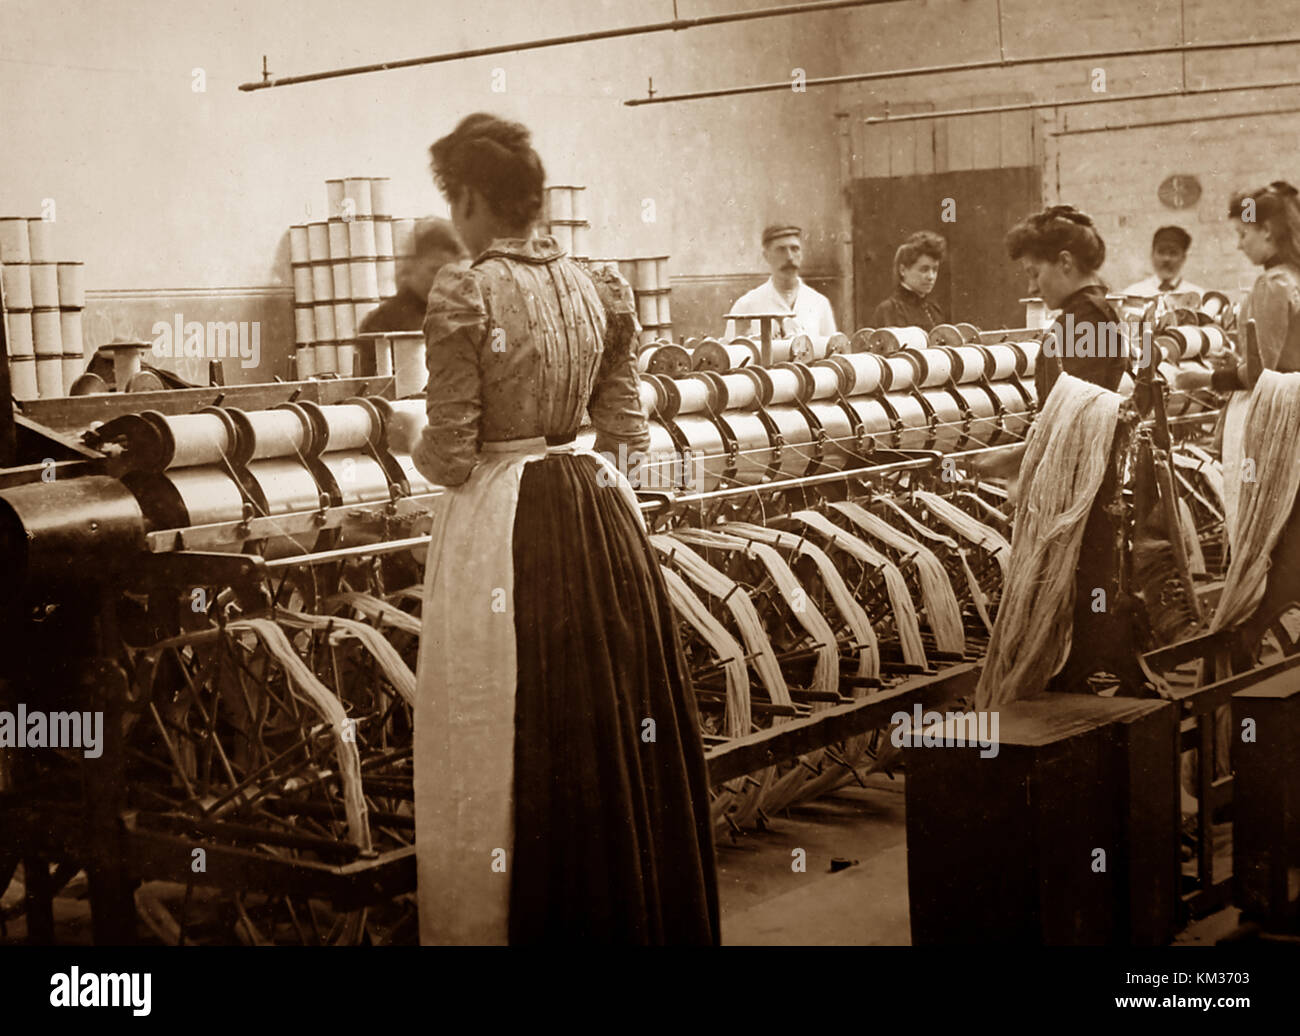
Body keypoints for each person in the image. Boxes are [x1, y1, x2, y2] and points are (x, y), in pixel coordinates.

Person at [386, 112, 719, 946]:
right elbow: (625, 429)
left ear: (469, 200)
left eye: (453, 199)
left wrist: (396, 434)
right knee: (605, 725)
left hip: (508, 527)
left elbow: (454, 455)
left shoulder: (467, 289)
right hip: (597, 512)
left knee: (504, 726)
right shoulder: (599, 283)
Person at [976, 205, 1138, 695]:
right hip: (1096, 478)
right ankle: (1086, 662)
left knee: (1081, 576)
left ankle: (1080, 670)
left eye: (1035, 272)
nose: (1033, 286)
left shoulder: (1079, 320)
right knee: (1092, 576)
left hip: (1079, 484)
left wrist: (1010, 458)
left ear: (1065, 261)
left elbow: (1073, 423)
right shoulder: (1103, 312)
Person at [1176, 181, 1300, 657]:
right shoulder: (1295, 275)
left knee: (1264, 530)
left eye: (1242, 234)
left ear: (1266, 231)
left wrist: (1201, 378)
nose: (1238, 244)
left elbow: (1260, 371)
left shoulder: (1272, 283)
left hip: (1274, 419)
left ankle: (1251, 621)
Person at [724, 223, 836, 339]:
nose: (789, 257)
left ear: (801, 254)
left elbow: (833, 352)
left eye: (795, 249)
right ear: (766, 256)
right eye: (781, 250)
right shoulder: (746, 305)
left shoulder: (819, 303)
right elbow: (732, 354)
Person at [358, 217, 467, 334]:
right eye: (434, 270)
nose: (442, 281)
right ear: (412, 265)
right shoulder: (380, 323)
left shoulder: (461, 317)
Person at [869, 231, 948, 331]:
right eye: (924, 269)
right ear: (903, 270)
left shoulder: (934, 310)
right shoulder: (889, 311)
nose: (931, 276)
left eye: (935, 269)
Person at [1121, 225, 1205, 300]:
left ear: (1183, 258)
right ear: (1152, 254)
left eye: (1173, 253)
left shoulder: (1198, 297)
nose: (1166, 259)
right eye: (1161, 252)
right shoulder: (1132, 294)